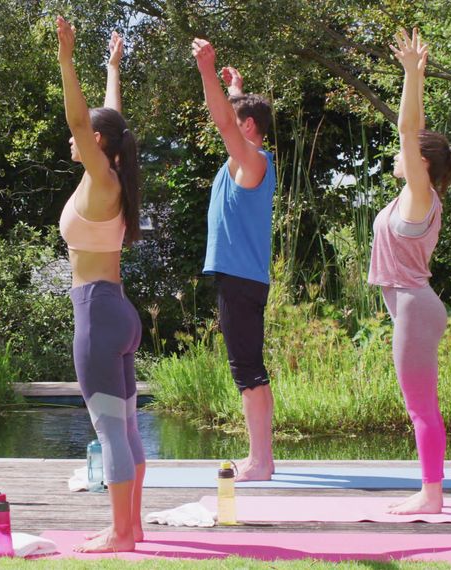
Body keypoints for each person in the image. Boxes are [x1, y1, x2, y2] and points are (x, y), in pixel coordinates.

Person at [369, 28, 451, 514]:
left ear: (421, 164)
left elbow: (410, 132)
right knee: (420, 404)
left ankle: (430, 495)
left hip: (414, 307)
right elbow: (417, 135)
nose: (396, 154)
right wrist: (416, 77)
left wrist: (412, 75)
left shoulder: (419, 194)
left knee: (419, 407)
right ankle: (429, 490)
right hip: (411, 306)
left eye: (406, 153)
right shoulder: (415, 194)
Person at [56, 17, 145, 553]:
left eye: (80, 134)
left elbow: (78, 116)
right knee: (128, 429)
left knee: (109, 431)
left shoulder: (99, 178)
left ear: (95, 143)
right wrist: (112, 68)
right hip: (120, 312)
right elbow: (109, 122)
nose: (72, 136)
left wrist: (67, 59)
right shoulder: (113, 174)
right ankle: (130, 527)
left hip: (96, 313)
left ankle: (119, 534)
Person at [191, 38, 277, 481]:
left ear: (248, 127)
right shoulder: (247, 160)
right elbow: (234, 117)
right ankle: (263, 457)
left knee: (247, 370)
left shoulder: (253, 160)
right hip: (241, 278)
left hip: (241, 279)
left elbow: (225, 120)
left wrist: (207, 70)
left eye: (236, 119)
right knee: (250, 367)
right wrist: (238, 86)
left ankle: (260, 462)